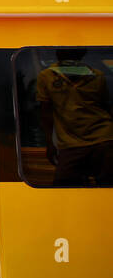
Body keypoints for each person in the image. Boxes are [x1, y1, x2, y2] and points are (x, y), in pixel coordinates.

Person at [38, 49, 113, 186]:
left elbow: (105, 107)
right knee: (63, 184)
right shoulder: (47, 76)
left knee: (106, 185)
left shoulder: (97, 75)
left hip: (102, 138)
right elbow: (46, 112)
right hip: (70, 143)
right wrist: (49, 143)